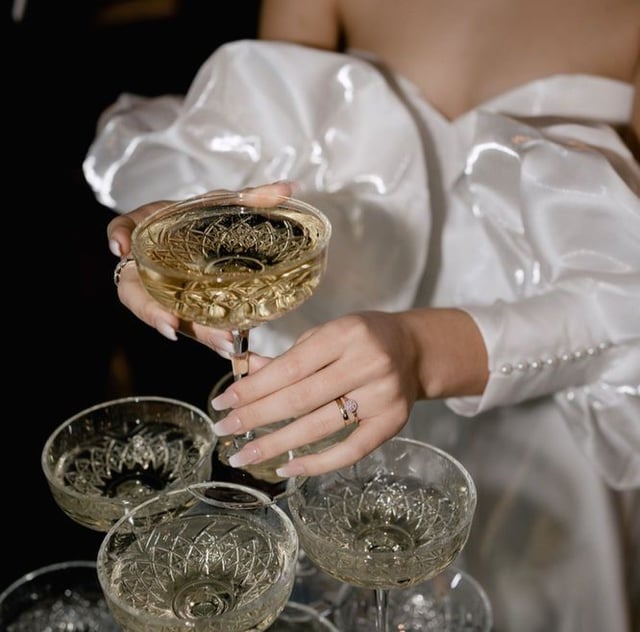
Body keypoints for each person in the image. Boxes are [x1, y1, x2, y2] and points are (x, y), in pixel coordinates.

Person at [85, 1, 640, 630]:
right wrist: (189, 231)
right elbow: (273, 180)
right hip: (327, 393)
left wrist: (422, 353)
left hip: (552, 430)